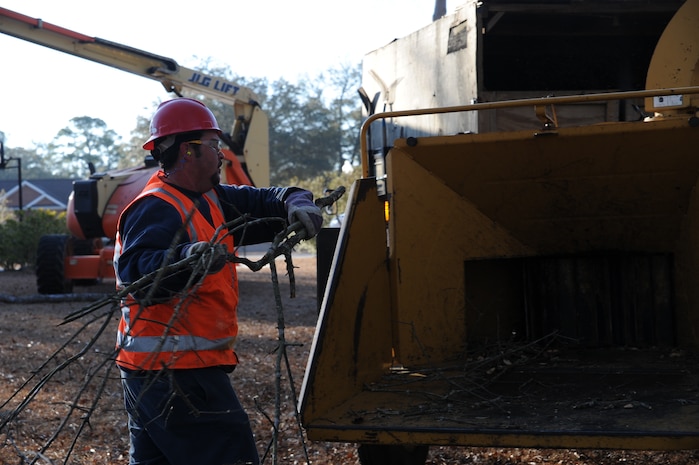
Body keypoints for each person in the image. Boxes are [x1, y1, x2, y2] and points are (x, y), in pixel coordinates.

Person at [113, 97, 323, 465]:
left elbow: (269, 200)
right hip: (176, 375)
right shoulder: (156, 207)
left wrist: (297, 201)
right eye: (214, 145)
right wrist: (185, 258)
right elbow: (137, 274)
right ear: (188, 151)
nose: (222, 155)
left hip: (158, 374)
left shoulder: (212, 198)